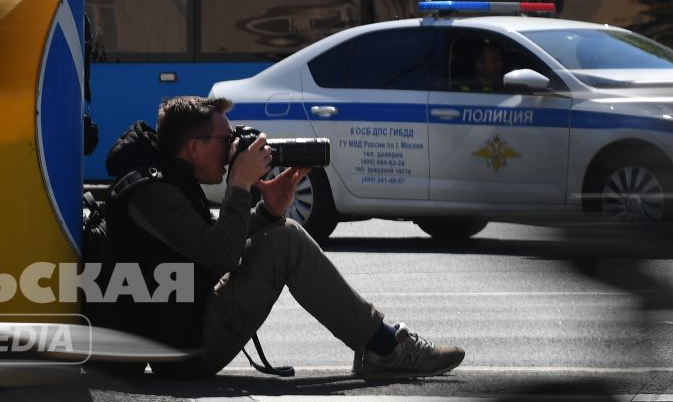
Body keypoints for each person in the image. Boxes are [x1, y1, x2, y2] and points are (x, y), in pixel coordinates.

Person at [100, 95, 465, 379]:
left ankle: (381, 344)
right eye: (224, 140)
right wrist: (240, 185)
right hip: (185, 347)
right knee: (286, 240)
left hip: (184, 324)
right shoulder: (152, 191)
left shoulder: (169, 180)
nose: (231, 151)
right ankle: (386, 348)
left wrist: (267, 210)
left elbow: (205, 246)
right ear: (194, 147)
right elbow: (219, 255)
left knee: (281, 231)